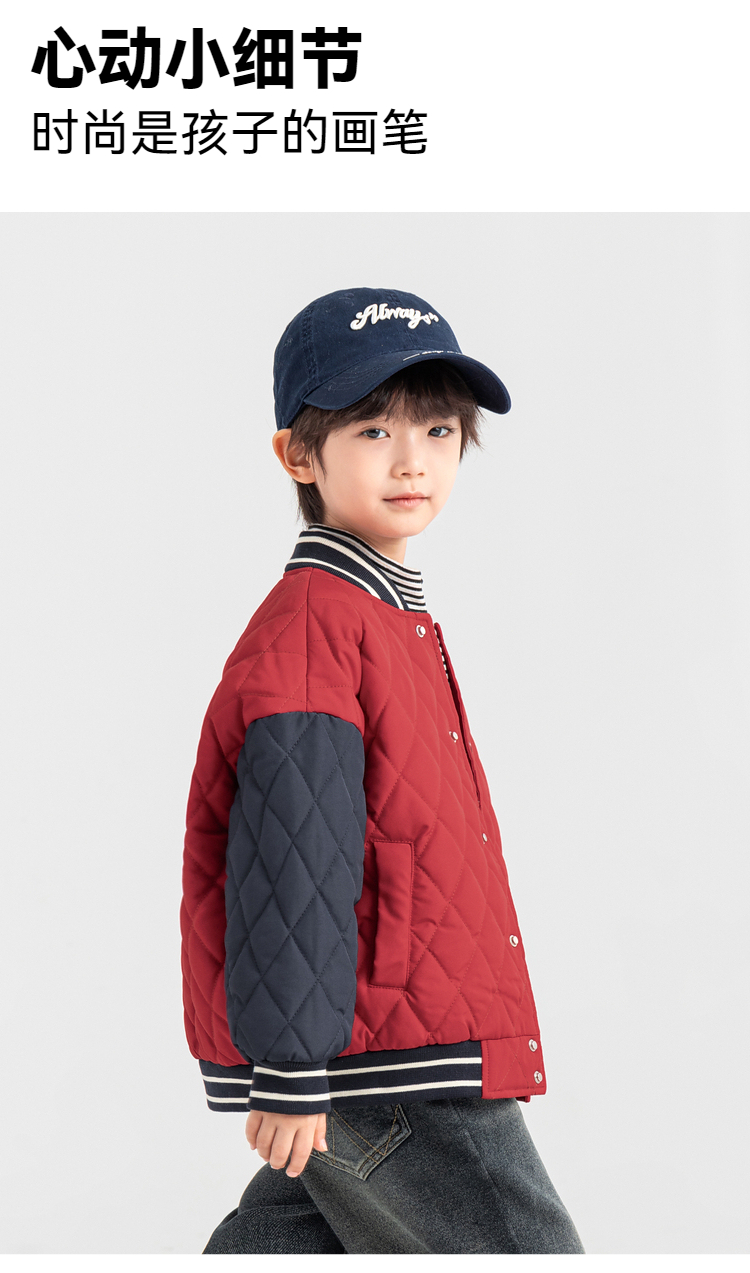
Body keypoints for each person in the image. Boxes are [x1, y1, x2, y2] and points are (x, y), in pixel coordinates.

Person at [180, 287, 585, 1255]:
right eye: (372, 430)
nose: (413, 461)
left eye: (439, 430)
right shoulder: (318, 627)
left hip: (379, 1040)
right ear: (298, 454)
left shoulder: (381, 617)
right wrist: (290, 1067)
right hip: (387, 1055)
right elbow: (292, 857)